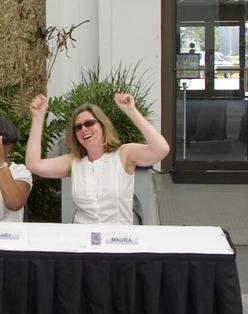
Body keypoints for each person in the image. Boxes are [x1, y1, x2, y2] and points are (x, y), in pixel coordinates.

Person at [25, 93, 170, 224]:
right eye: (78, 127)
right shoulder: (74, 161)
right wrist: (38, 118)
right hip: (83, 243)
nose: (84, 129)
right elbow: (34, 165)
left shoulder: (124, 154)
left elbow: (161, 149)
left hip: (118, 243)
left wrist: (132, 112)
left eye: (89, 123)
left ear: (102, 125)